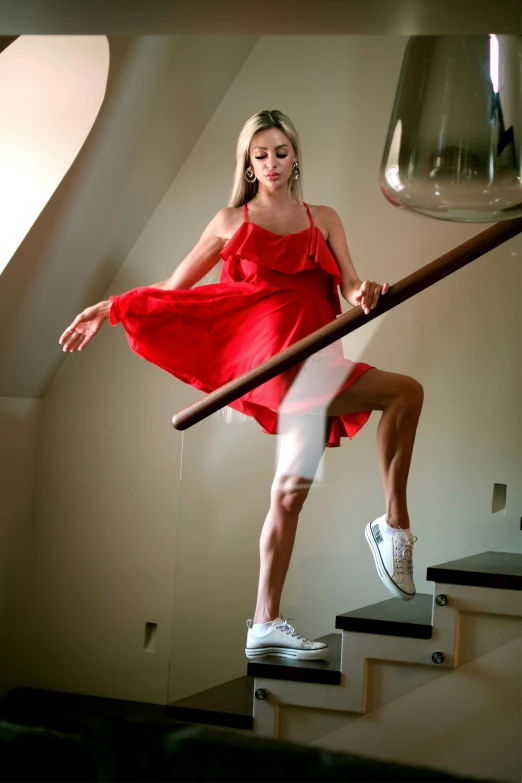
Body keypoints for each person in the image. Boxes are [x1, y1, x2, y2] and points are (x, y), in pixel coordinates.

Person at [59, 109, 424, 662]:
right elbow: (175, 289)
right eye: (260, 155)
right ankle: (394, 526)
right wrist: (110, 308)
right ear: (248, 164)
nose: (272, 163)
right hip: (277, 361)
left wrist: (365, 291)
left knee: (289, 494)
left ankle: (264, 623)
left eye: (280, 152)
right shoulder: (231, 222)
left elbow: (349, 286)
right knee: (405, 392)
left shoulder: (323, 218)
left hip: (319, 352)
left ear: (295, 155)